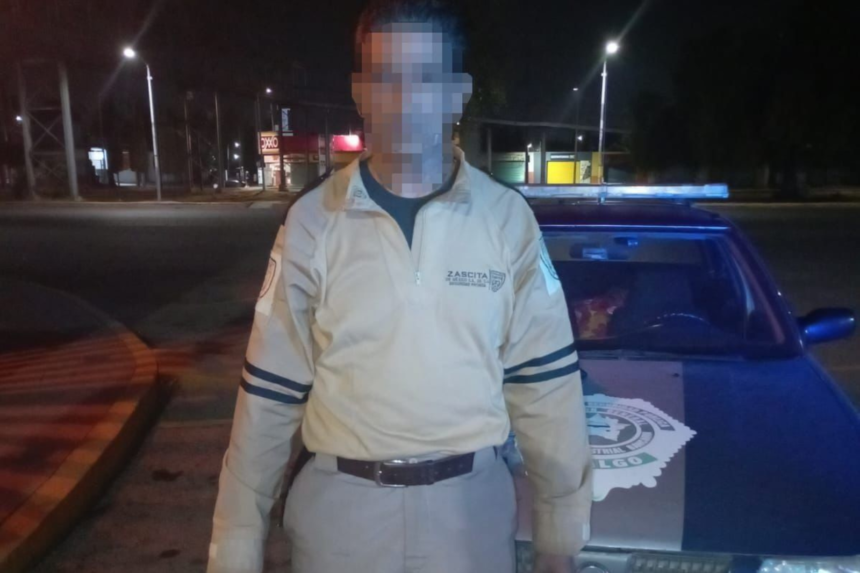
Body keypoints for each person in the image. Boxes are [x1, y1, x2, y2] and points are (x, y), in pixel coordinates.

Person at [206, 1, 592, 572]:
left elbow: (548, 390)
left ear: (459, 93)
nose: (406, 99)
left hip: (471, 521)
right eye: (386, 77)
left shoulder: (507, 221)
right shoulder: (312, 221)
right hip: (342, 524)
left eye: (426, 77)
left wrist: (559, 538)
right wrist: (235, 547)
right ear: (360, 93)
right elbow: (268, 397)